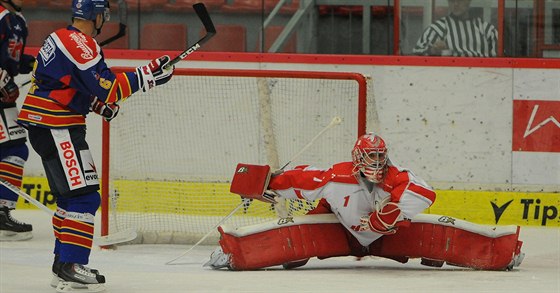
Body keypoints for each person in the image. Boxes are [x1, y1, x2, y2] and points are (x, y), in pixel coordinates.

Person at [16, 0, 174, 291]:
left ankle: (61, 266)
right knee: (85, 199)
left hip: (47, 124)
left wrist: (94, 104)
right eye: (102, 14)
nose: (104, 20)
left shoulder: (58, 37)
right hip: (58, 127)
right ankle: (72, 266)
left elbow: (61, 83)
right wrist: (146, 76)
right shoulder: (80, 44)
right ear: (95, 15)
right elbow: (111, 89)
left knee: (69, 199)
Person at [206, 132, 438, 269]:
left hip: (383, 237)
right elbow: (301, 179)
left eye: (380, 155)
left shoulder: (398, 177)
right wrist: (263, 182)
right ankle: (234, 253)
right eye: (371, 156)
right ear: (358, 156)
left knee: (419, 236)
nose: (376, 162)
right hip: (336, 228)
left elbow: (425, 193)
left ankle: (433, 251)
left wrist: (392, 209)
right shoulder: (336, 177)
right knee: (301, 232)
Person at [0, 0, 36, 241]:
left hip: (3, 102)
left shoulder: (17, 21)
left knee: (14, 148)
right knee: (14, 148)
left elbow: (13, 59)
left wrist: (36, 64)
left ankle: (2, 212)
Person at [412, 0, 498, 57]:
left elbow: (500, 59)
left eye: (459, 0)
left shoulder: (487, 30)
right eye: (452, 0)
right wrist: (433, 50)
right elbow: (417, 53)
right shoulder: (438, 29)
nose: (455, 4)